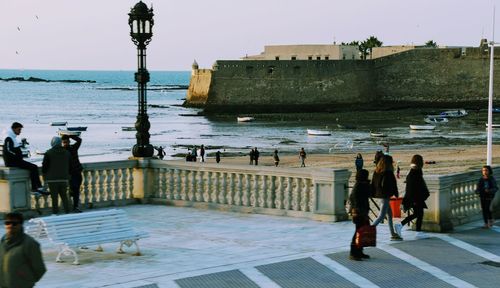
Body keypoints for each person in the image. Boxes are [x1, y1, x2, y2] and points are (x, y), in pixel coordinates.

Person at [0, 211, 46, 288]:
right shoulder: (3, 241)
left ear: (20, 225)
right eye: (7, 223)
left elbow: (40, 269)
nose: (10, 225)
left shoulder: (30, 243)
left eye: (14, 223)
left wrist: (26, 280)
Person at [2, 122, 47, 195]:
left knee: (33, 167)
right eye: (19, 129)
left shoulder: (11, 137)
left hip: (14, 161)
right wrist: (17, 156)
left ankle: (36, 188)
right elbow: (8, 150)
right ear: (14, 129)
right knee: (34, 167)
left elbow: (10, 149)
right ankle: (36, 188)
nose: (20, 131)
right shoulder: (9, 137)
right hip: (13, 162)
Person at [396, 155, 430, 237]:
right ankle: (401, 225)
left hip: (414, 197)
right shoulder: (415, 172)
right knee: (418, 214)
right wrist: (414, 200)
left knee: (418, 214)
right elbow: (414, 187)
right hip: (416, 197)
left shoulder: (413, 171)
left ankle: (417, 231)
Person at [371, 154, 402, 240]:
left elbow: (373, 184)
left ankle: (393, 233)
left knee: (390, 214)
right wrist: (396, 194)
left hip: (380, 195)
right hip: (385, 195)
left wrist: (373, 193)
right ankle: (368, 232)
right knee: (381, 216)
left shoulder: (377, 171)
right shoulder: (388, 172)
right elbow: (393, 185)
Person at [42, 136, 71, 215]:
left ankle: (55, 213)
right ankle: (67, 212)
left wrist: (44, 175)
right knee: (64, 197)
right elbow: (70, 165)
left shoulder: (48, 153)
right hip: (64, 178)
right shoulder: (67, 153)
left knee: (54, 198)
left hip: (52, 179)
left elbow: (44, 166)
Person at [349, 169, 371, 261]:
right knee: (358, 232)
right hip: (359, 213)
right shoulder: (359, 186)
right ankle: (354, 252)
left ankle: (359, 251)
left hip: (361, 212)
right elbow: (355, 201)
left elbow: (369, 193)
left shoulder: (361, 185)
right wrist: (361, 213)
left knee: (361, 232)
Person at [61, 134, 83, 213]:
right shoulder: (62, 151)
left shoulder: (73, 148)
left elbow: (79, 140)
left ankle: (75, 206)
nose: (65, 143)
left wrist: (70, 135)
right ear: (62, 143)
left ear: (69, 141)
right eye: (64, 142)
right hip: (70, 174)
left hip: (77, 172)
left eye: (66, 142)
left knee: (75, 189)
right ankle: (75, 207)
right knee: (75, 189)